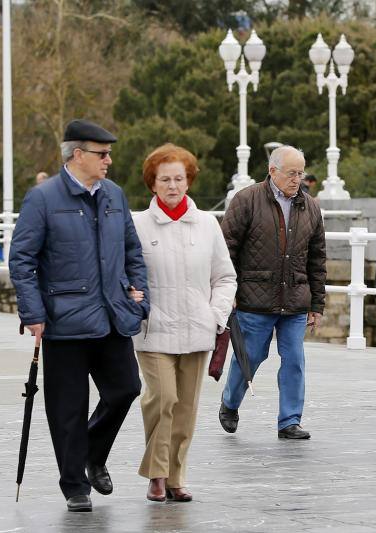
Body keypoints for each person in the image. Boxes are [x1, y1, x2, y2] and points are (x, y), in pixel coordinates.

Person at [9, 119, 148, 512]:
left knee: (125, 389)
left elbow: (133, 252)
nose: (109, 160)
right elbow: (21, 258)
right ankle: (74, 485)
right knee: (67, 408)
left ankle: (92, 454)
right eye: (102, 154)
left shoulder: (115, 196)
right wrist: (33, 312)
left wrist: (140, 299)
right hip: (64, 322)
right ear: (78, 155)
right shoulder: (43, 198)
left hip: (111, 317)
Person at [132, 144, 236, 502]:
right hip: (153, 330)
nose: (172, 185)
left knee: (187, 407)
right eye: (165, 179)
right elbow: (125, 273)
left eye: (179, 178)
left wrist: (215, 314)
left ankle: (176, 475)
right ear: (153, 183)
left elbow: (225, 277)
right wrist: (133, 300)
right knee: (163, 398)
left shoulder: (207, 224)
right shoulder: (137, 225)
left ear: (188, 181)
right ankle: (156, 474)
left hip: (197, 330)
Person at [218, 145, 326, 440]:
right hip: (254, 298)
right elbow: (225, 249)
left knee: (294, 359)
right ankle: (230, 403)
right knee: (250, 357)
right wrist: (229, 289)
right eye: (291, 173)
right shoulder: (247, 200)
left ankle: (289, 420)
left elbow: (317, 259)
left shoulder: (311, 207)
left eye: (301, 173)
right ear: (272, 171)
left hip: (295, 300)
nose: (297, 179)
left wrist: (317, 304)